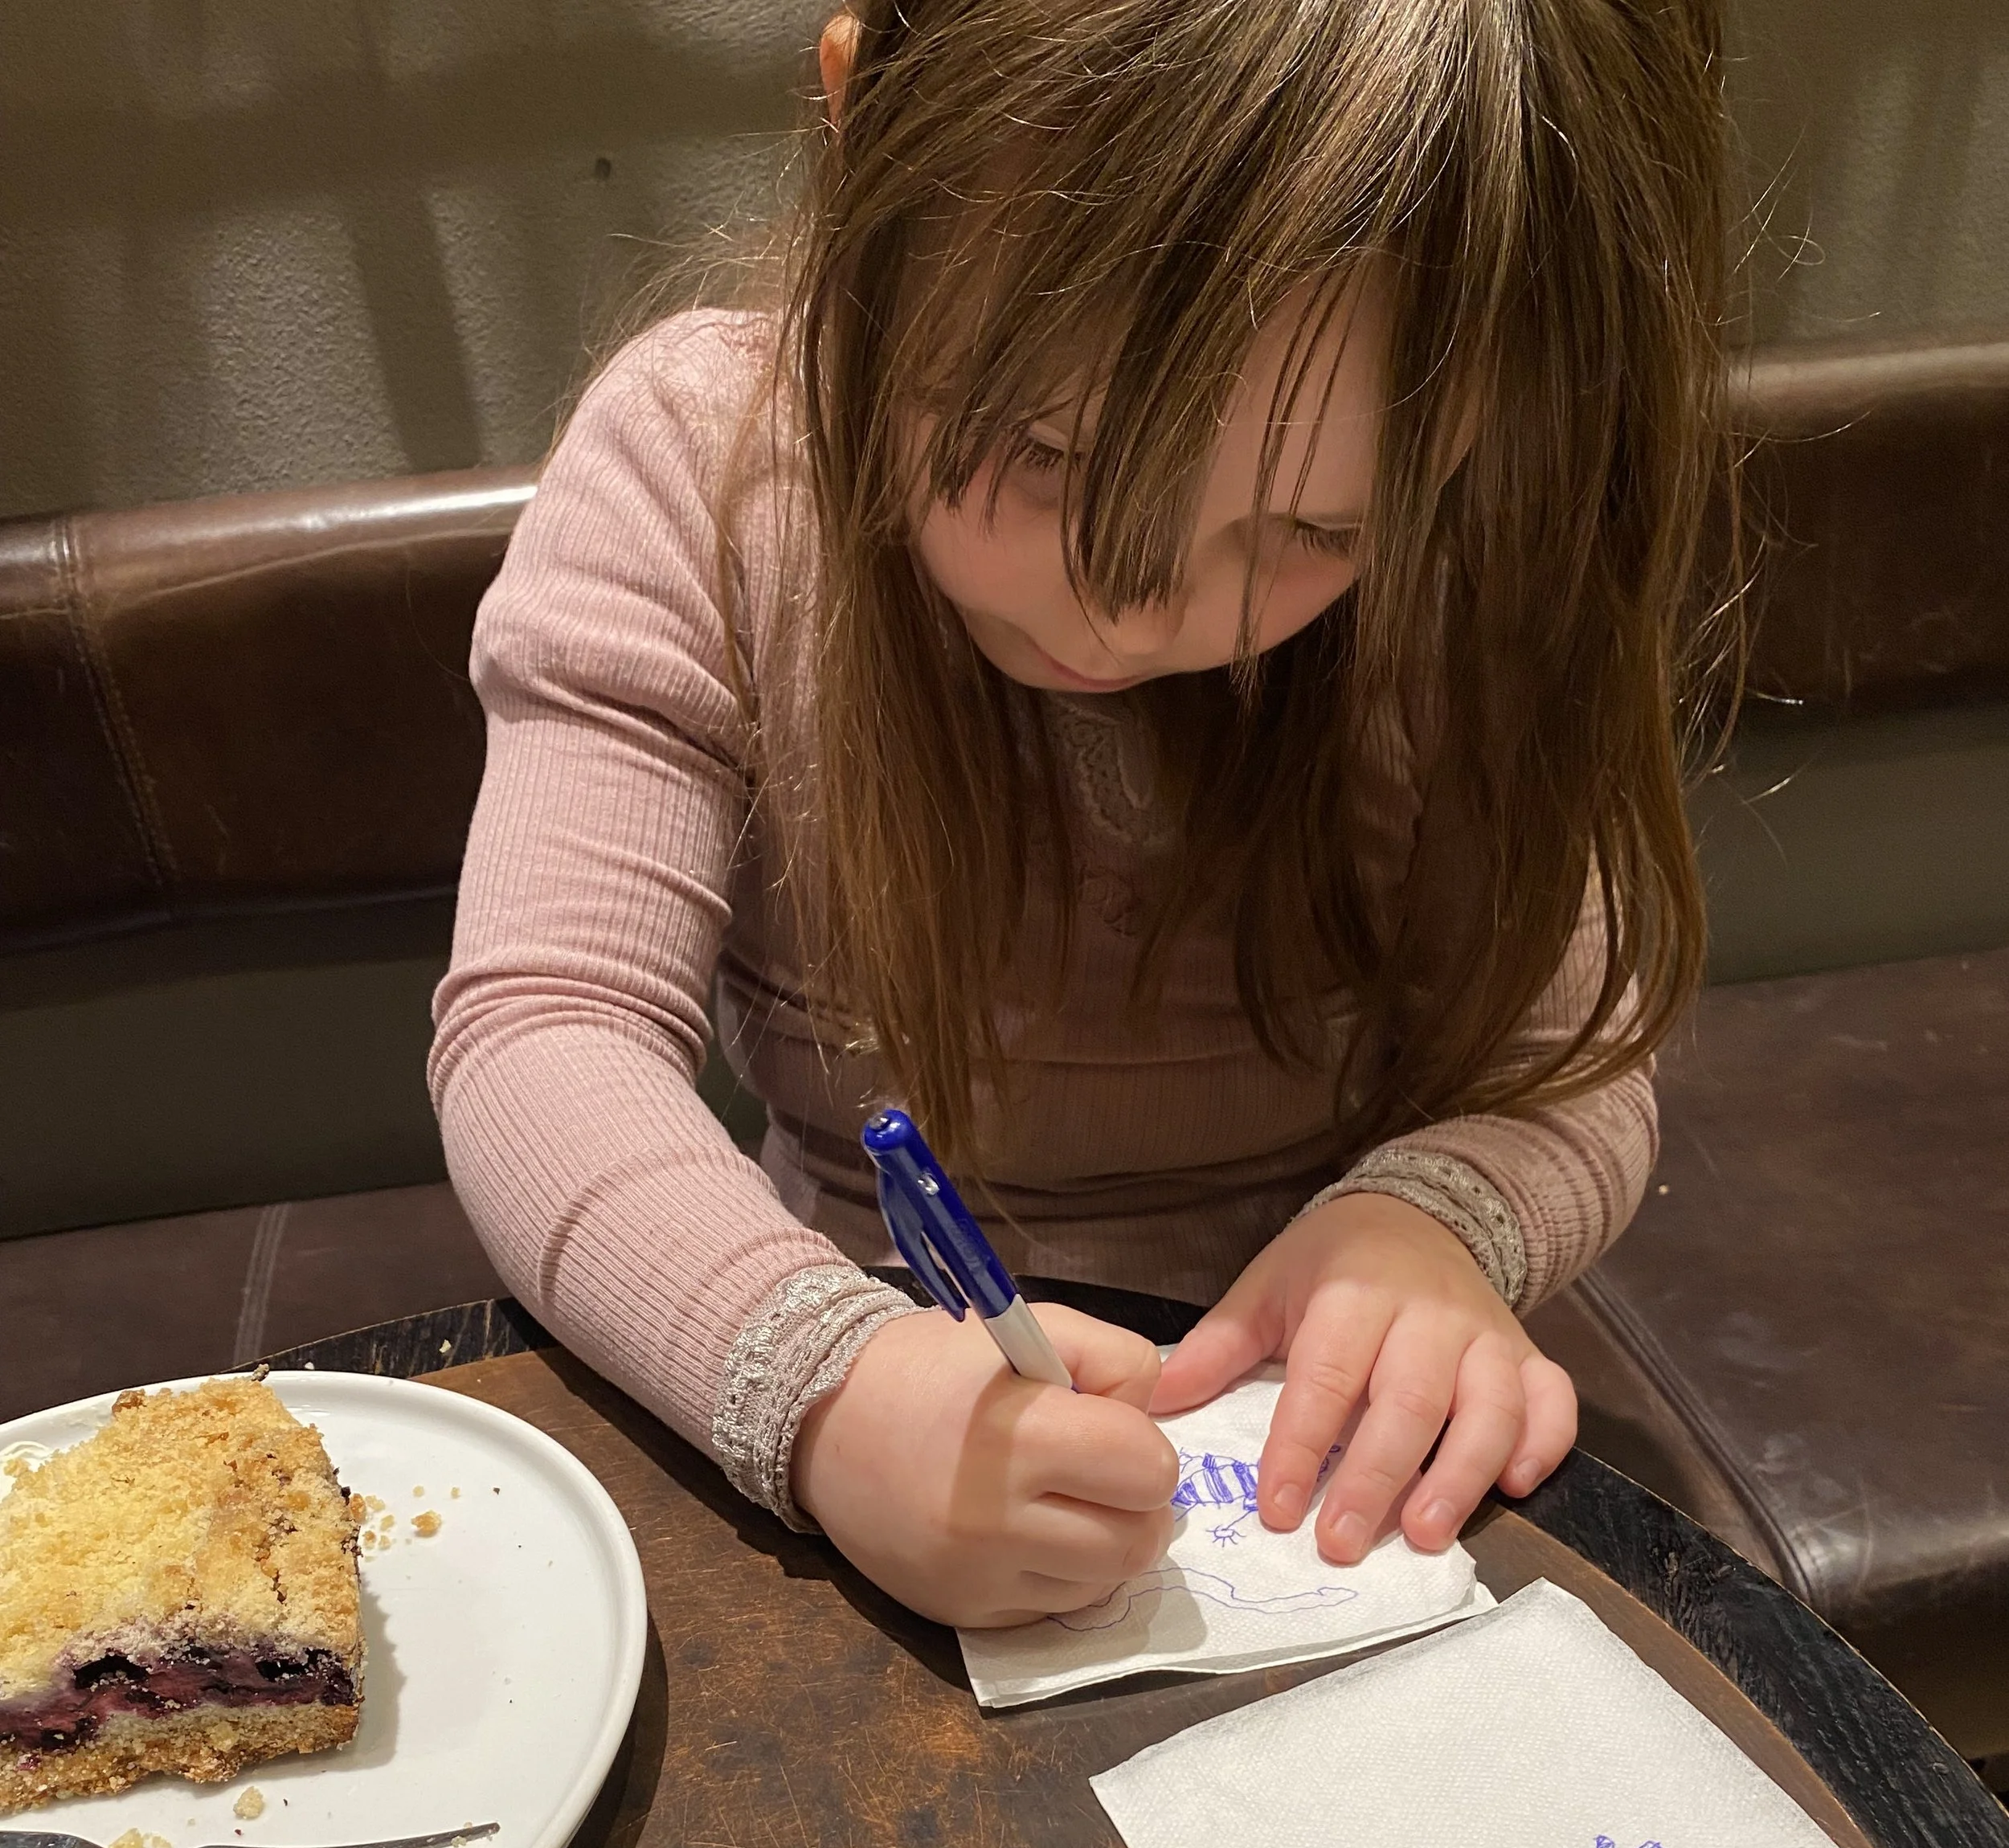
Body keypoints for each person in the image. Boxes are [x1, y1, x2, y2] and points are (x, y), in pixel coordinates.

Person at [432, 0, 1737, 1629]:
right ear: (863, 121)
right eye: (1036, 451)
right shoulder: (699, 472)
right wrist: (823, 1382)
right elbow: (542, 1026)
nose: (1122, 617)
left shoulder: (1473, 545)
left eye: (1307, 525)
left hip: (1318, 1478)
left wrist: (1436, 1220)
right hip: (870, 1355)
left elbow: (1576, 1051)